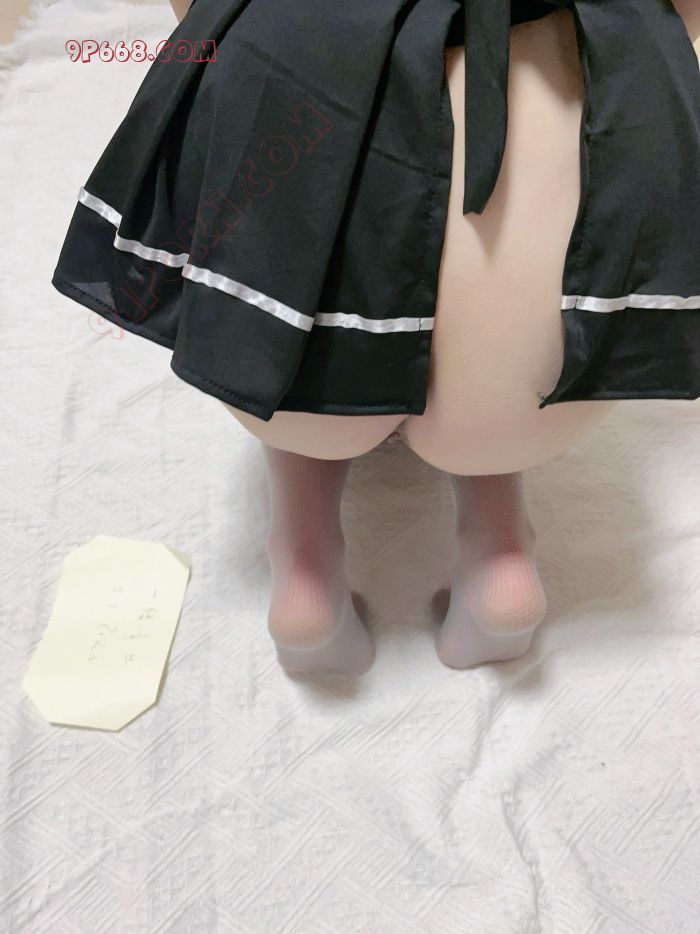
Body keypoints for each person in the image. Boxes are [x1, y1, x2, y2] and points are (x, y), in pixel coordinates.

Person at [53, 0, 700, 674]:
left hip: (303, 109)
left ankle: (304, 570)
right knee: (491, 375)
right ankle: (501, 559)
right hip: (544, 143)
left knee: (293, 361)